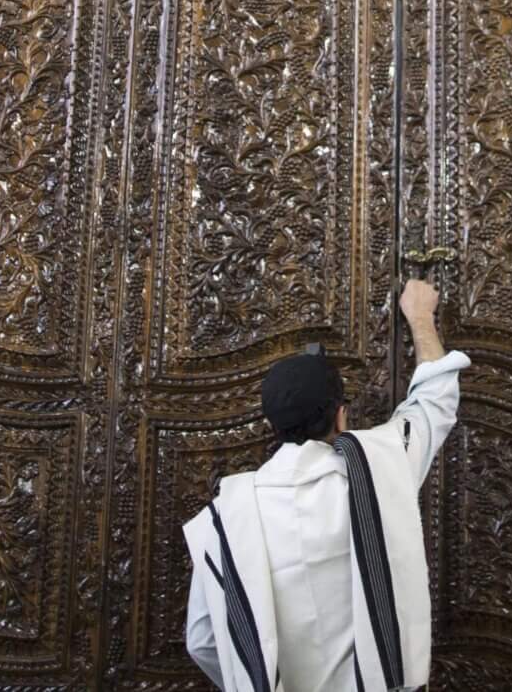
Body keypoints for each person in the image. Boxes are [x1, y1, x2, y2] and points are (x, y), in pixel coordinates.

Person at [183, 278, 468, 692]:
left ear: (272, 425)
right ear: (340, 416)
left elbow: (203, 640)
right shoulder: (379, 470)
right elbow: (434, 401)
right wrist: (421, 316)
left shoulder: (225, 518)